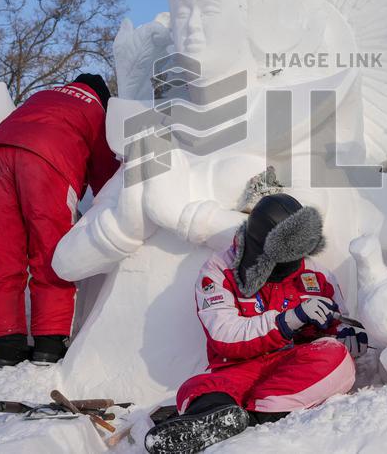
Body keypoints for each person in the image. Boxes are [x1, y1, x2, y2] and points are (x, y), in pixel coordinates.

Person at [144, 193, 366, 454]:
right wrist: (288, 320)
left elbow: (336, 323)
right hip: (238, 368)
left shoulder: (316, 275)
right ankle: (210, 417)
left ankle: (246, 419)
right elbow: (225, 337)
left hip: (291, 364)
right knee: (198, 388)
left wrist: (349, 334)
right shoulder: (219, 273)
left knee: (336, 359)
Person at [0, 74, 119, 368]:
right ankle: (49, 344)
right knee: (51, 250)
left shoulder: (44, 96)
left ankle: (7, 344)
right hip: (47, 159)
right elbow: (107, 181)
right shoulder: (98, 110)